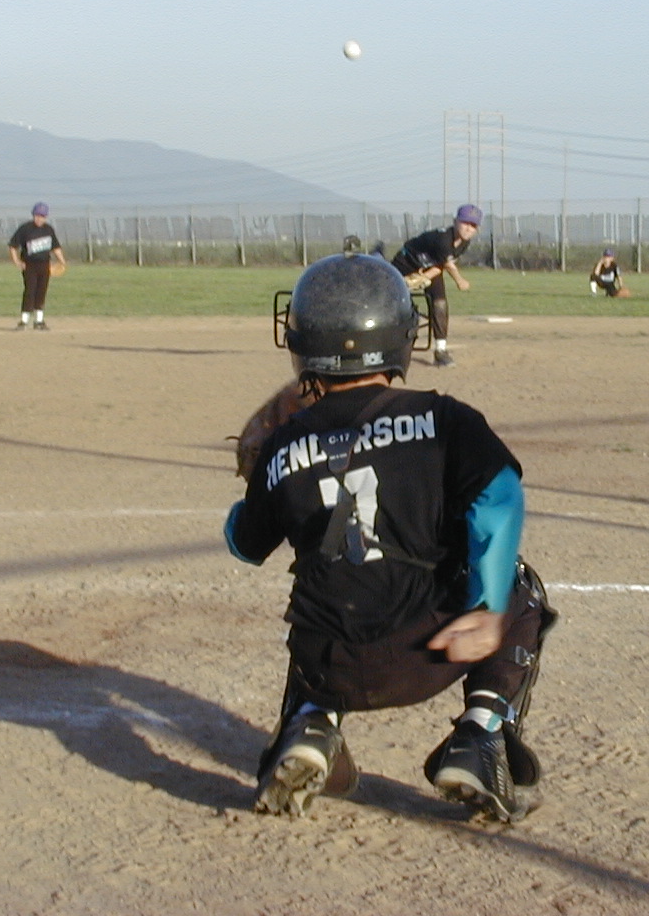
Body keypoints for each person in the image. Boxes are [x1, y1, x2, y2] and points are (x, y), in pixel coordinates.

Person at [224, 252, 556, 823]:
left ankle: (310, 724)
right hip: (430, 649)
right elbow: (500, 500)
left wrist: (259, 486)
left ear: (302, 342)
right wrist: (487, 608)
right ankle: (480, 733)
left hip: (330, 666)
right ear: (404, 336)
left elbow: (245, 545)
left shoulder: (284, 443)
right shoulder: (445, 420)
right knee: (521, 586)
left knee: (318, 597)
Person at [390, 204, 482, 367]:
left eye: (473, 225)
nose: (469, 228)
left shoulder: (464, 243)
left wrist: (424, 277)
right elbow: (448, 265)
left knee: (440, 303)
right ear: (455, 221)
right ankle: (391, 345)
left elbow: (440, 265)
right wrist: (460, 281)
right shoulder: (443, 238)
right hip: (406, 262)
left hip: (430, 267)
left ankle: (440, 351)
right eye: (465, 223)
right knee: (397, 303)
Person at [8, 202, 66, 330]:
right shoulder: (25, 229)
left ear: (46, 217)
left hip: (45, 265)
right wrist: (17, 261)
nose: (39, 218)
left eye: (42, 216)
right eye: (37, 215)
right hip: (29, 265)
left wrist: (62, 261)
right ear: (33, 215)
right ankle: (24, 321)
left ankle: (39, 321)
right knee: (30, 291)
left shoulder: (48, 230)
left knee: (41, 291)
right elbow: (13, 246)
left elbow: (55, 247)